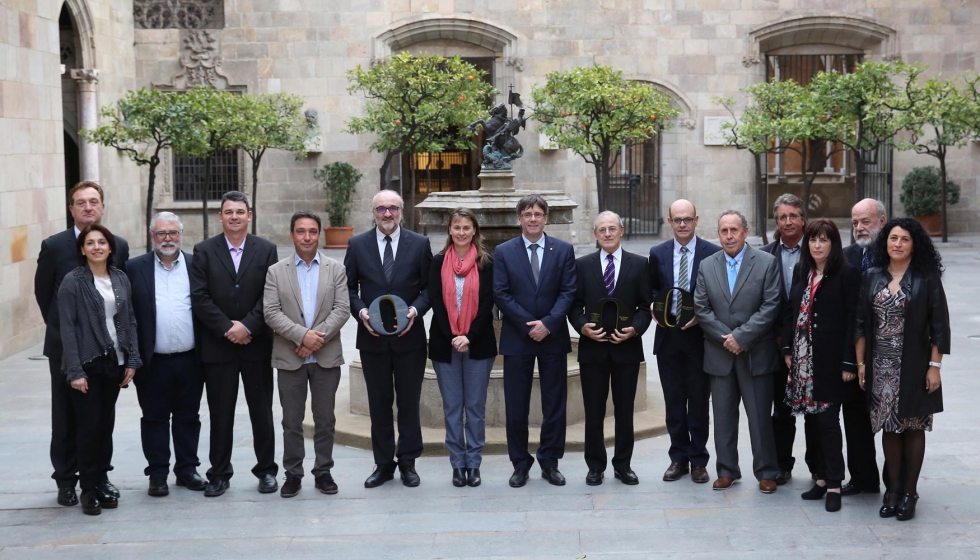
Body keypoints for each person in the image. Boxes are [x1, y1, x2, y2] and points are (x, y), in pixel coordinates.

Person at [34, 181, 130, 508]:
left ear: (102, 207)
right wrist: (71, 339)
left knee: (102, 417)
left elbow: (122, 301)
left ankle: (99, 476)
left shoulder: (118, 246)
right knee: (66, 417)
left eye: (93, 202)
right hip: (66, 350)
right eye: (80, 202)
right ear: (71, 209)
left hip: (107, 353)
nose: (88, 207)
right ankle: (66, 480)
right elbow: (43, 294)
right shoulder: (55, 246)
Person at [856, 218, 949, 521]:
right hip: (880, 366)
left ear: (914, 244)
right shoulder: (871, 276)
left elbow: (939, 327)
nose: (897, 244)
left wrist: (934, 367)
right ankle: (892, 490)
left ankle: (909, 492)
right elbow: (860, 325)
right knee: (889, 429)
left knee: (913, 427)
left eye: (904, 239)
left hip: (914, 365)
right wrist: (860, 365)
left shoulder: (926, 278)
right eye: (893, 238)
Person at [190, 191, 280, 497]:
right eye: (229, 212)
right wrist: (228, 328)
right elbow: (199, 298)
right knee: (220, 413)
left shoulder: (266, 250)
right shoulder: (203, 251)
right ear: (221, 217)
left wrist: (249, 326)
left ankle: (267, 471)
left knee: (262, 412)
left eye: (240, 212)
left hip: (257, 346)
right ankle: (219, 473)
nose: (234, 217)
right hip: (219, 348)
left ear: (249, 215)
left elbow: (270, 295)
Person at [345, 190, 432, 488]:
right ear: (373, 212)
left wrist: (415, 312)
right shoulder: (357, 245)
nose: (387, 214)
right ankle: (383, 464)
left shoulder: (419, 244)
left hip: (410, 340)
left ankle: (408, 462)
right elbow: (349, 289)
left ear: (401, 211)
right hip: (372, 340)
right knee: (379, 403)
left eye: (392, 208)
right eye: (381, 208)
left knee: (409, 403)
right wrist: (361, 314)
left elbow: (428, 290)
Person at [694, 210, 781, 493]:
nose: (729, 236)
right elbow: (701, 309)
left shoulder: (767, 263)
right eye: (723, 231)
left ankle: (767, 471)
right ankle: (727, 470)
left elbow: (771, 306)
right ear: (718, 234)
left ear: (745, 232)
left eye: (734, 230)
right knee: (722, 417)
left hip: (755, 354)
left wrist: (741, 337)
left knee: (759, 418)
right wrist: (726, 339)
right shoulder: (707, 265)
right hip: (720, 356)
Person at [264, 211, 350, 497]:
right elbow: (271, 312)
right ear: (292, 235)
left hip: (326, 358)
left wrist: (314, 340)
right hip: (290, 358)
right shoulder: (277, 271)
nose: (307, 237)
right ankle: (293, 473)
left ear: (319, 234)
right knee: (291, 421)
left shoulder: (335, 269)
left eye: (312, 231)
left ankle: (323, 472)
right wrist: (302, 336)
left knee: (325, 420)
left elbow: (342, 309)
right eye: (301, 231)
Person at [493, 194, 577, 487]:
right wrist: (528, 324)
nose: (532, 219)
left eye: (538, 214)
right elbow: (501, 293)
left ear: (546, 218)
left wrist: (549, 324)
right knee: (516, 404)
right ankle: (520, 463)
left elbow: (569, 291)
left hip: (553, 337)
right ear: (519, 219)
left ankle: (550, 462)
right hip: (518, 337)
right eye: (527, 214)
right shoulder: (504, 251)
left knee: (554, 403)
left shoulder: (563, 249)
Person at [58, 224, 140, 515]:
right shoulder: (73, 281)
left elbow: (129, 320)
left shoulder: (120, 278)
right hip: (88, 363)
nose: (96, 247)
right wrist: (75, 371)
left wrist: (132, 359)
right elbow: (67, 328)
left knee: (105, 426)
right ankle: (88, 489)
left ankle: (103, 480)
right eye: (90, 243)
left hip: (114, 362)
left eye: (101, 242)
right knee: (89, 428)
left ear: (110, 247)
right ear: (82, 249)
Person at [781, 219, 861, 513]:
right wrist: (788, 350)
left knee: (828, 422)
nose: (817, 245)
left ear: (833, 244)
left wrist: (849, 361)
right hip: (803, 362)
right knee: (811, 422)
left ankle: (836, 483)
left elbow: (854, 320)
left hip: (830, 361)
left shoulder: (847, 274)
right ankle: (820, 478)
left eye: (823, 240)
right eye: (813, 240)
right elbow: (791, 311)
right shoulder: (802, 271)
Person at [126, 212, 206, 497]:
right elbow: (127, 315)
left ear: (181, 234)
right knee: (154, 418)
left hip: (190, 359)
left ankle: (187, 470)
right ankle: (157, 474)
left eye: (173, 232)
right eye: (161, 234)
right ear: (152, 237)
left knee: (188, 417)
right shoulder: (134, 268)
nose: (168, 238)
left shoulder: (197, 265)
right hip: (152, 362)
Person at [568, 211, 651, 486]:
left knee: (624, 411)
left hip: (626, 350)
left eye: (612, 228)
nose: (607, 233)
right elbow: (574, 305)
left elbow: (645, 307)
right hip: (593, 351)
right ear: (595, 234)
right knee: (593, 411)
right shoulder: (582, 265)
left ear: (622, 230)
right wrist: (582, 328)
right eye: (601, 229)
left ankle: (623, 465)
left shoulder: (639, 264)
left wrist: (635, 329)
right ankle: (595, 466)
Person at [648, 200, 721, 484]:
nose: (682, 224)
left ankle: (699, 460)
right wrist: (655, 306)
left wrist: (702, 318)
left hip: (699, 338)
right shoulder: (657, 253)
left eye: (687, 219)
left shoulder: (711, 253)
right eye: (677, 220)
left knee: (699, 403)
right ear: (669, 222)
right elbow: (652, 287)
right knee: (674, 402)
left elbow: (718, 293)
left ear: (696, 220)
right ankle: (678, 458)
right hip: (668, 338)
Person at [428, 207, 497, 488]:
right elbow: (436, 303)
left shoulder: (486, 263)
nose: (461, 232)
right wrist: (454, 335)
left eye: (466, 228)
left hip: (478, 344)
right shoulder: (437, 262)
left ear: (474, 231)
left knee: (476, 407)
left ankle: (474, 462)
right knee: (453, 407)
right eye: (456, 227)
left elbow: (487, 304)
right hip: (446, 344)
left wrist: (468, 335)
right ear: (449, 230)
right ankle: (458, 463)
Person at [839, 198, 886, 496]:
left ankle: (898, 483)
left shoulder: (897, 251)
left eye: (865, 221)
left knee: (895, 420)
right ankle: (863, 478)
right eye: (855, 222)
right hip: (854, 351)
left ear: (881, 221)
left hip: (891, 351)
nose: (859, 228)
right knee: (855, 418)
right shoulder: (845, 257)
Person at [761, 193, 807, 485]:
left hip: (811, 346)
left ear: (803, 218)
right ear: (776, 221)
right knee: (780, 410)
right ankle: (781, 464)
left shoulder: (817, 251)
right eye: (782, 217)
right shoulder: (764, 255)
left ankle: (819, 468)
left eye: (793, 216)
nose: (788, 221)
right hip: (774, 346)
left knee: (817, 411)